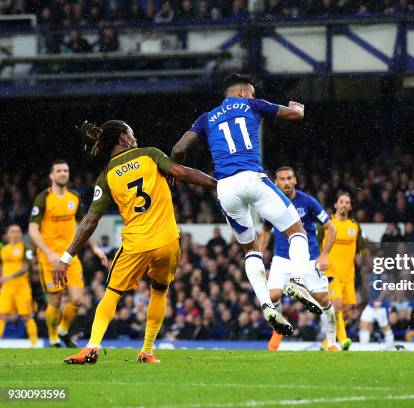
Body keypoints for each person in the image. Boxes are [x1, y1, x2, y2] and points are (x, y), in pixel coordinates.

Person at [171, 74, 322, 336]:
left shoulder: (207, 117)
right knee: (296, 231)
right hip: (253, 179)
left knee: (250, 249)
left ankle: (266, 305)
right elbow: (293, 115)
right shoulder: (252, 104)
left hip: (225, 189)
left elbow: (179, 149)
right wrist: (298, 108)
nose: (252, 96)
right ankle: (297, 281)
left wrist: (176, 170)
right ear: (242, 93)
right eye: (250, 92)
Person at [55, 120, 216, 364]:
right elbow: (182, 172)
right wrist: (217, 184)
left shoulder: (107, 175)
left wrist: (65, 258)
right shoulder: (150, 155)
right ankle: (147, 351)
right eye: (132, 133)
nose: (135, 137)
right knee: (159, 292)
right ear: (123, 138)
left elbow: (89, 221)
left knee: (112, 294)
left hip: (136, 244)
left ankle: (91, 347)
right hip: (168, 241)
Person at [29, 159, 109, 348]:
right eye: (59, 171)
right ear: (52, 176)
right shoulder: (43, 198)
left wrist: (95, 248)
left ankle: (63, 330)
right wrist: (48, 253)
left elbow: (85, 226)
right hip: (49, 258)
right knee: (55, 301)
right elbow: (33, 229)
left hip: (69, 256)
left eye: (65, 170)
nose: (63, 173)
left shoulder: (74, 198)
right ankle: (53, 337)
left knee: (78, 300)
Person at [259, 166, 337, 351]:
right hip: (282, 258)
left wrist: (325, 254)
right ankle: (278, 329)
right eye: (282, 179)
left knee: (322, 299)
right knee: (272, 296)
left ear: (295, 180)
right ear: (276, 182)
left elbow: (330, 227)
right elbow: (266, 230)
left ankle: (332, 341)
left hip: (307, 259)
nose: (286, 182)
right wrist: (259, 254)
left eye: (289, 178)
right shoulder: (272, 203)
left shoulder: (308, 202)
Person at [320, 192, 368, 351]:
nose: (344, 204)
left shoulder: (354, 225)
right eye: (341, 201)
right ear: (336, 205)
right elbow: (315, 244)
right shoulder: (326, 224)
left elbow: (362, 247)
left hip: (349, 275)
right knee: (337, 305)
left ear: (350, 206)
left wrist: (366, 258)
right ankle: (343, 339)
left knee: (346, 312)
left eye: (347, 202)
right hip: (331, 274)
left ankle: (327, 343)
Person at [0, 225, 37, 347]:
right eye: (12, 231)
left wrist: (10, 276)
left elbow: (27, 267)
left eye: (17, 231)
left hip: (22, 287)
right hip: (7, 288)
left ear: (21, 234)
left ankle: (33, 343)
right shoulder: (3, 249)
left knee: (26, 316)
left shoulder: (26, 248)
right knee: (2, 314)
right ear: (8, 234)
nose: (15, 233)